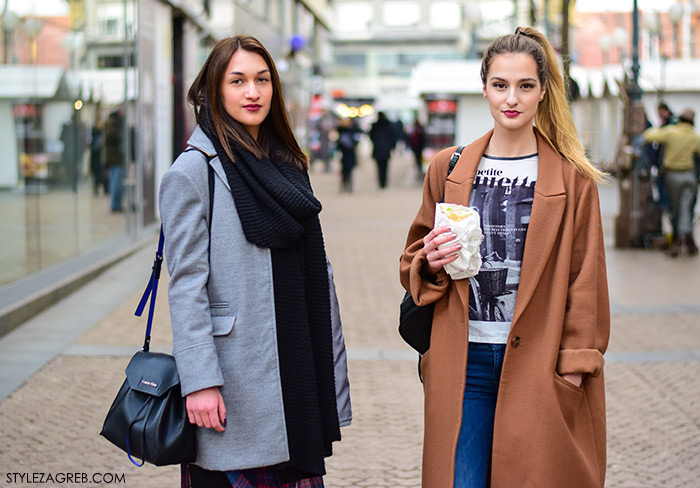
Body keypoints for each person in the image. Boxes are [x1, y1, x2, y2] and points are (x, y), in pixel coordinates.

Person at [399, 27, 610, 488]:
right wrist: (429, 260)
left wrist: (573, 369)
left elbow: (585, 278)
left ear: (542, 92)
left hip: (540, 363)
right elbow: (413, 260)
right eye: (500, 85)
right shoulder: (449, 167)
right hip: (463, 358)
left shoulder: (574, 180)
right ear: (484, 88)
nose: (511, 98)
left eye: (525, 85)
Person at [159, 35, 352, 488]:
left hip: (294, 366)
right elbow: (186, 285)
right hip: (235, 377)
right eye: (238, 80)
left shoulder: (287, 163)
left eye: (262, 80)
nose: (253, 92)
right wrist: (200, 380)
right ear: (213, 90)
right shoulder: (193, 173)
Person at [643, 108, 700, 256]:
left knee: (676, 209)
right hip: (690, 176)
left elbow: (648, 136)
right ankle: (688, 240)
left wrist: (660, 127)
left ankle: (678, 240)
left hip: (673, 176)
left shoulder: (670, 132)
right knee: (686, 208)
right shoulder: (694, 136)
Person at [369, 112, 397, 189]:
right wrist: (392, 147)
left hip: (378, 149)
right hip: (386, 149)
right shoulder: (389, 125)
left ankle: (381, 182)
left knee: (379, 167)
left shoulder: (375, 126)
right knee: (385, 166)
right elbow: (393, 137)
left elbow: (371, 137)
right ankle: (384, 182)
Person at [104, 108, 125, 211]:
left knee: (115, 181)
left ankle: (116, 204)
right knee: (116, 182)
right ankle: (115, 205)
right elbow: (112, 137)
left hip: (114, 157)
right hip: (116, 157)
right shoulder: (114, 123)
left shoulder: (112, 122)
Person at [336, 117, 360, 192]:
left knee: (348, 171)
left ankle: (347, 185)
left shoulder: (352, 131)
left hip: (348, 154)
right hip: (346, 154)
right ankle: (346, 185)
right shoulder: (342, 131)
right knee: (345, 171)